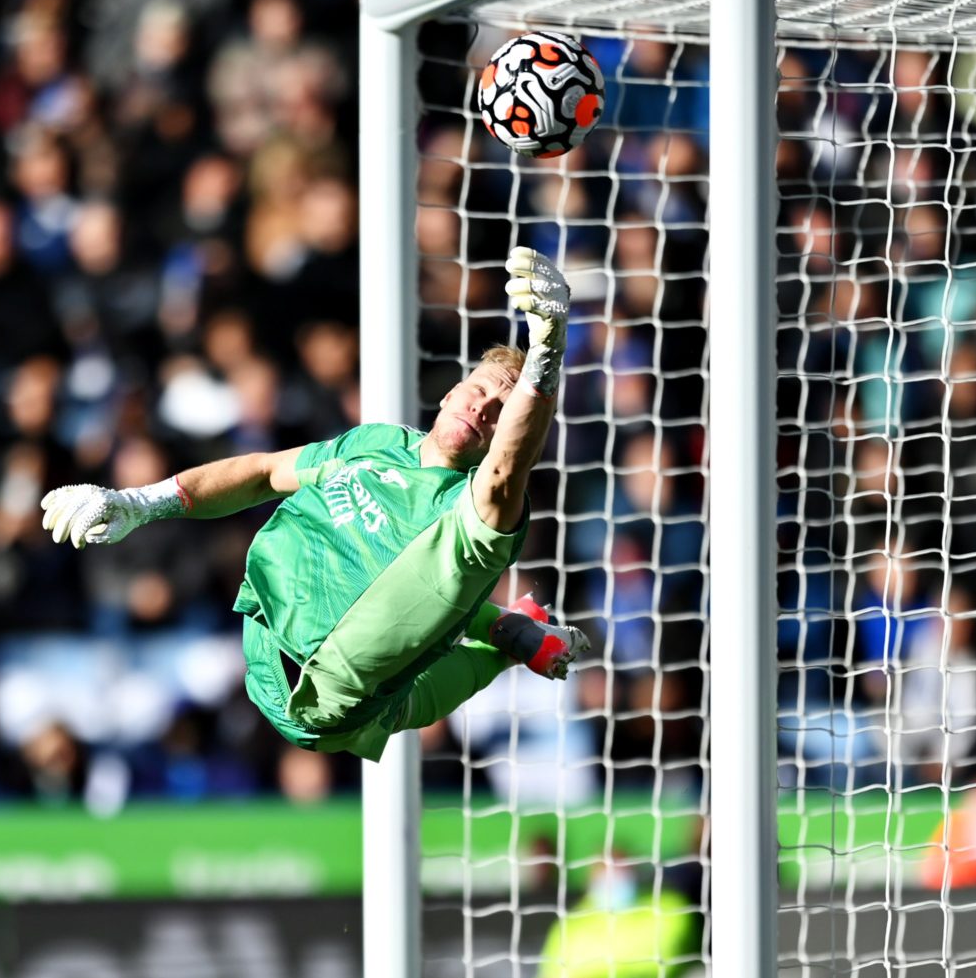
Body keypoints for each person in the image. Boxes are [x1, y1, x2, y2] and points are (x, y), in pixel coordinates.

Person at [42, 247, 590, 759]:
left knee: (431, 674)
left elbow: (505, 471)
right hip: (258, 640)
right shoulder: (374, 443)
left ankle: (506, 634)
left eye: (502, 407)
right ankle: (508, 627)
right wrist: (137, 502)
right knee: (442, 617)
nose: (484, 407)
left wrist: (547, 351)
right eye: (481, 388)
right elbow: (262, 471)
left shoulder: (482, 508)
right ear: (449, 392)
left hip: (327, 704)